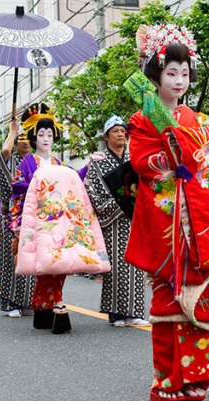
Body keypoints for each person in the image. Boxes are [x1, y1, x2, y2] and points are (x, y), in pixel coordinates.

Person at [124, 24, 209, 401]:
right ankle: (169, 379)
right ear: (155, 76)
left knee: (197, 298)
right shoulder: (143, 118)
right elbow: (142, 161)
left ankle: (196, 376)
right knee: (168, 300)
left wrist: (201, 158)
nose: (179, 80)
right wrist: (173, 158)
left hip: (199, 222)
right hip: (165, 222)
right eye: (171, 72)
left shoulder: (200, 121)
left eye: (184, 73)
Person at [10, 102, 102, 333]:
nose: (46, 138)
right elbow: (17, 187)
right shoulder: (28, 162)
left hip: (58, 222)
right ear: (33, 137)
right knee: (47, 265)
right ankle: (52, 304)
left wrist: (88, 164)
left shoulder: (59, 163)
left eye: (50, 134)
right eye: (41, 134)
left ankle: (44, 306)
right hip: (41, 222)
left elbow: (74, 181)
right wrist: (37, 185)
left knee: (59, 264)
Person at [84, 115, 148, 327]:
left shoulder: (134, 158)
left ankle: (135, 311)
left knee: (136, 264)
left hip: (136, 219)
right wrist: (117, 204)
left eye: (123, 131)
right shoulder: (98, 162)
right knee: (116, 266)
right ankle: (116, 312)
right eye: (115, 131)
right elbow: (91, 189)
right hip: (112, 221)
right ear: (106, 136)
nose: (121, 134)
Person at [0, 121, 35, 317]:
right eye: (22, 138)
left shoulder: (35, 162)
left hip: (32, 217)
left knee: (31, 259)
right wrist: (12, 132)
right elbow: (4, 151)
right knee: (11, 260)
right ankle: (11, 302)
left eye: (29, 138)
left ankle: (29, 301)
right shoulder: (10, 161)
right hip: (11, 217)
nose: (26, 142)